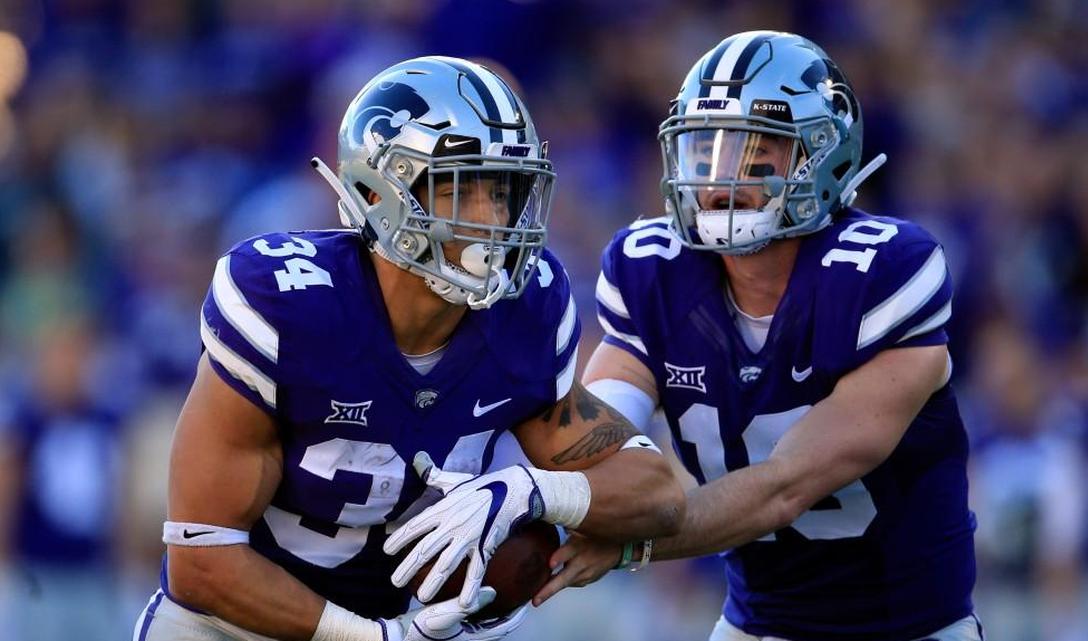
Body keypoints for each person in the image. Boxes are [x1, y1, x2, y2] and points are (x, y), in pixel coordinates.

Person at [131, 55, 683, 641]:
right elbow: (201, 561)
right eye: (460, 189)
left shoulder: (525, 313)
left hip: (399, 622)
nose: (492, 218)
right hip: (231, 626)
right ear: (379, 193)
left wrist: (536, 490)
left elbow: (658, 492)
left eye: (503, 191)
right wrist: (375, 639)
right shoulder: (289, 306)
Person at [539, 32, 980, 641]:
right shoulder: (652, 271)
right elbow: (600, 439)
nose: (722, 178)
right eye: (706, 150)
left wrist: (631, 543)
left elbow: (785, 487)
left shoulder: (884, 272)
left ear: (823, 155)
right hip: (757, 625)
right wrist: (531, 501)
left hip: (911, 628)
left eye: (755, 151)